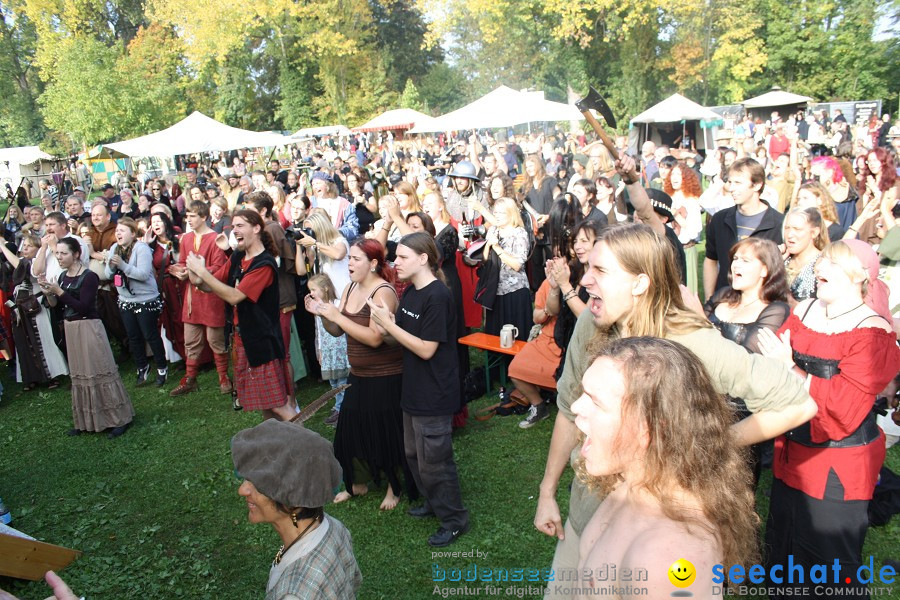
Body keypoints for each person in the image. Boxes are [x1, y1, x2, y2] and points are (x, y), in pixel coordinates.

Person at [535, 223, 817, 599]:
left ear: (639, 283)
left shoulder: (689, 343)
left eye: (601, 270)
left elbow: (798, 402)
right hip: (586, 515)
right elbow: (570, 410)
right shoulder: (592, 321)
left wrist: (705, 442)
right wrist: (547, 491)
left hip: (654, 535)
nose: (585, 279)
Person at [758, 239, 900, 600]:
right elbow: (773, 357)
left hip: (837, 461)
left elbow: (845, 407)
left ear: (858, 277)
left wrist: (789, 367)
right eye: (822, 261)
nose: (821, 269)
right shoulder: (805, 310)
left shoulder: (873, 332)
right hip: (792, 448)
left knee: (828, 559)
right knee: (785, 542)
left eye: (834, 265)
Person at [573, 337, 758, 597]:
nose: (575, 407)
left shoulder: (666, 557)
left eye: (596, 402)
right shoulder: (629, 486)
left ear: (650, 427)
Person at [368, 232, 469, 547]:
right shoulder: (411, 292)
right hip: (413, 390)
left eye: (402, 257)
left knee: (435, 461)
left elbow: (426, 349)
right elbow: (402, 339)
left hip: (434, 394)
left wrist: (390, 325)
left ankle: (453, 520)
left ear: (423, 258)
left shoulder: (437, 296)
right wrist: (384, 326)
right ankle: (432, 501)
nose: (395, 262)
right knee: (413, 454)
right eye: (396, 257)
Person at [308, 238, 415, 510]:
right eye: (350, 258)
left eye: (356, 259)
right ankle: (359, 483)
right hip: (359, 374)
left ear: (374, 263)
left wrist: (338, 316)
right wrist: (322, 313)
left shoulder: (383, 292)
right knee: (350, 432)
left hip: (386, 376)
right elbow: (338, 330)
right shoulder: (350, 287)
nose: (350, 263)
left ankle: (394, 487)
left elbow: (375, 338)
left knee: (386, 435)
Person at [231, 419, 362, 599]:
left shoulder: (294, 593)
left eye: (259, 485)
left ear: (293, 500)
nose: (242, 490)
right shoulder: (332, 527)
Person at [186, 210, 296, 421]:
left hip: (262, 345)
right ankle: (277, 449)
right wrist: (196, 273)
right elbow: (211, 285)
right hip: (243, 340)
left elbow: (235, 296)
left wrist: (202, 273)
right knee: (267, 408)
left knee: (279, 407)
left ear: (256, 228)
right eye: (233, 226)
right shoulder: (238, 256)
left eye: (240, 226)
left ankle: (310, 448)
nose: (234, 230)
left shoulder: (264, 264)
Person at [704, 237, 791, 483]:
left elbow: (747, 356)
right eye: (734, 259)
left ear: (765, 269)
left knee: (732, 485)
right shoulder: (723, 295)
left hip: (739, 411)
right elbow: (692, 332)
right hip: (702, 397)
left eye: (745, 260)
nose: (735, 266)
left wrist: (707, 336)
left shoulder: (775, 310)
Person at [511, 219, 605, 429]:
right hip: (565, 340)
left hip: (589, 345)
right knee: (516, 368)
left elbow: (587, 317)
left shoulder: (601, 276)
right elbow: (549, 311)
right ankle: (541, 406)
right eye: (576, 242)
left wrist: (564, 285)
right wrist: (554, 287)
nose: (578, 246)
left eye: (584, 241)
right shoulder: (576, 271)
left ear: (599, 244)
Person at [39, 238, 134, 438]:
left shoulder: (89, 277)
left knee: (99, 369)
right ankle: (87, 421)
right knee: (81, 373)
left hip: (89, 326)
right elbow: (57, 305)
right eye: (57, 253)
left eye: (63, 253)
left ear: (75, 254)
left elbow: (84, 306)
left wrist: (60, 292)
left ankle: (119, 418)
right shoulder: (63, 276)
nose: (59, 257)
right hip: (71, 328)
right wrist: (50, 293)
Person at [170, 201, 231, 396]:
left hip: (211, 295)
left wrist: (199, 271)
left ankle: (223, 377)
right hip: (192, 298)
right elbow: (180, 262)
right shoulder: (186, 238)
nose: (189, 219)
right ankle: (190, 379)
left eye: (193, 216)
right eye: (187, 216)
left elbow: (219, 267)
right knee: (191, 339)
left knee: (215, 339)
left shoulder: (214, 238)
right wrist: (179, 271)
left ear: (203, 217)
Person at [704, 157, 785, 299]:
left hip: (763, 305)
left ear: (757, 185)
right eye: (730, 182)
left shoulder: (779, 224)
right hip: (723, 300)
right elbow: (711, 259)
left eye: (738, 183)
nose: (731, 188)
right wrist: (710, 297)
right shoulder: (719, 220)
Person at [104, 218, 168, 386]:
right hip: (126, 300)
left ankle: (162, 368)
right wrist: (111, 267)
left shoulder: (142, 249)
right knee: (133, 337)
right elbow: (107, 274)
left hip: (145, 300)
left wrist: (124, 266)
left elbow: (143, 274)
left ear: (133, 234)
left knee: (150, 335)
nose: (118, 233)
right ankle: (142, 367)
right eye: (117, 230)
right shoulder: (114, 249)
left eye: (122, 230)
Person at [0, 233, 67, 390]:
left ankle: (52, 375)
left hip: (37, 305)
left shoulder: (38, 263)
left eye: (29, 246)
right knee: (23, 341)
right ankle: (31, 377)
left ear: (37, 248)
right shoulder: (23, 262)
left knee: (44, 339)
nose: (25, 249)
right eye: (24, 246)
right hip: (19, 307)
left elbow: (24, 267)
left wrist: (2, 246)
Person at [307, 274, 350, 427]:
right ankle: (338, 406)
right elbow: (318, 331)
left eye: (313, 289)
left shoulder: (337, 304)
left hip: (340, 350)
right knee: (333, 381)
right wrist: (319, 350)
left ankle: (341, 410)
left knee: (342, 381)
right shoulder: (316, 309)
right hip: (327, 350)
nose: (311, 293)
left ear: (325, 288)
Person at [664, 162, 704, 295]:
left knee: (687, 289)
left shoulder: (691, 201)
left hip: (686, 248)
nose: (674, 177)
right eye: (673, 174)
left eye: (678, 174)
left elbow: (694, 229)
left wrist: (675, 214)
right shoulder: (667, 198)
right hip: (669, 249)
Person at [296, 211, 351, 303]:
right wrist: (298, 243)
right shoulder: (313, 248)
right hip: (325, 300)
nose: (308, 233)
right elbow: (301, 271)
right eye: (306, 230)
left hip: (343, 297)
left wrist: (315, 243)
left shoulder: (339, 241)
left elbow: (338, 255)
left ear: (320, 228)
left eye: (310, 230)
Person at [783, 207, 828, 304]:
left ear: (814, 233)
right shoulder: (782, 260)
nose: (790, 234)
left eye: (797, 229)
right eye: (787, 228)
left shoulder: (823, 264)